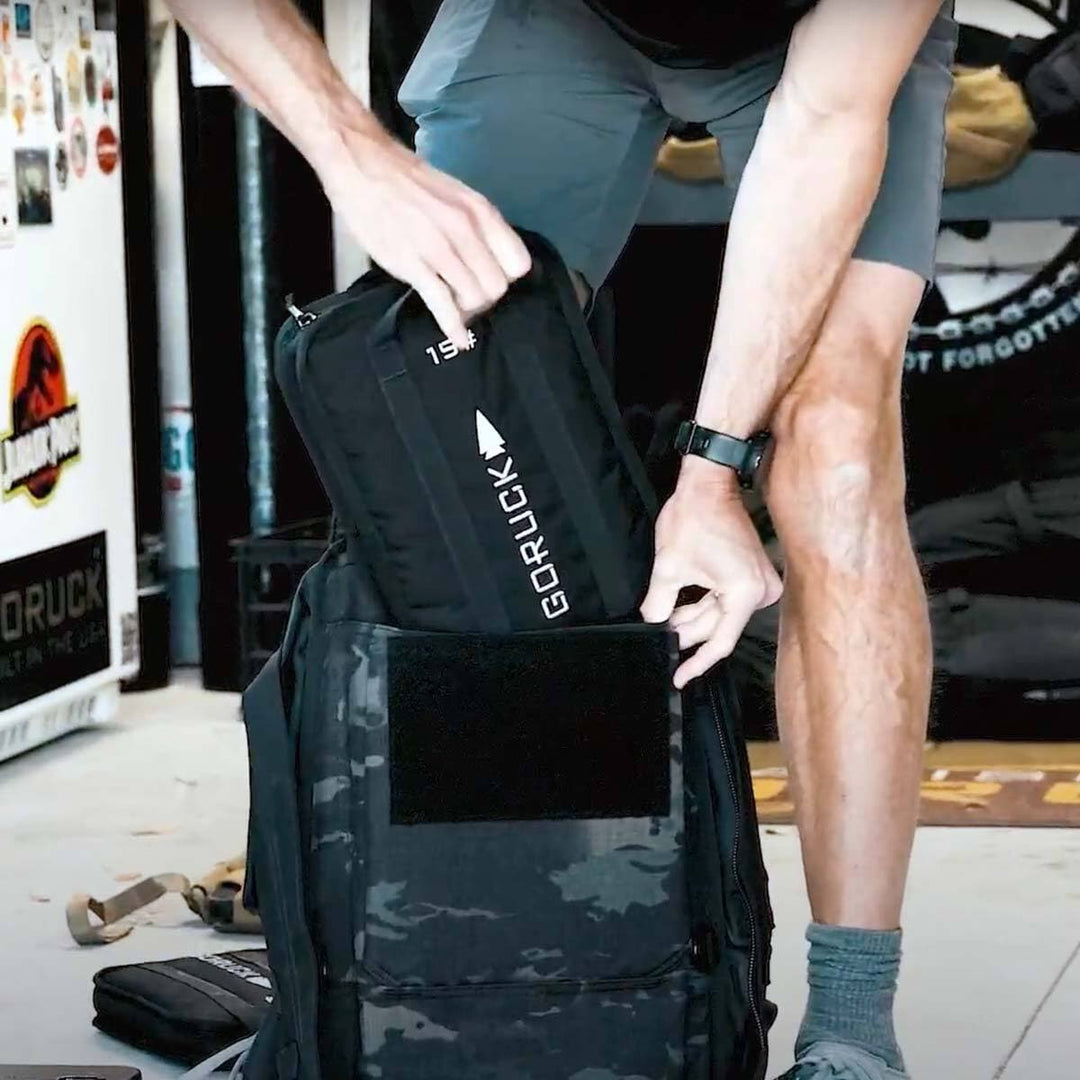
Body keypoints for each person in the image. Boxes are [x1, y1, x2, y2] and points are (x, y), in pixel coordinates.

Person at [165, 2, 957, 1076]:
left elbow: (827, 113)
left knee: (836, 448)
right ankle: (461, 969)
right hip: (551, 16)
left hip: (817, 53)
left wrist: (711, 474)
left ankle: (855, 1025)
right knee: (431, 389)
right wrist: (356, 161)